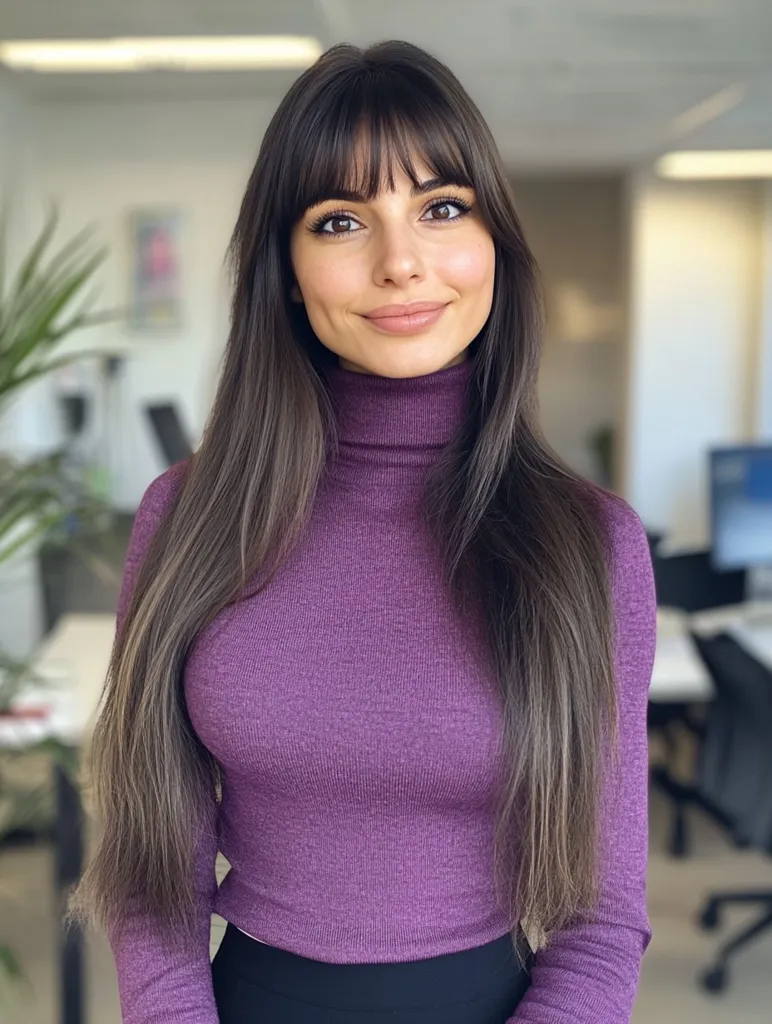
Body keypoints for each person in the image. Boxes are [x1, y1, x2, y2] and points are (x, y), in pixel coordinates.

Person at [71, 40, 656, 1024]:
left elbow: (601, 920)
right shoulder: (190, 516)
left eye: (441, 207)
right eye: (341, 220)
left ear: (494, 245)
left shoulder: (587, 540)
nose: (400, 262)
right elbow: (151, 875)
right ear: (287, 270)